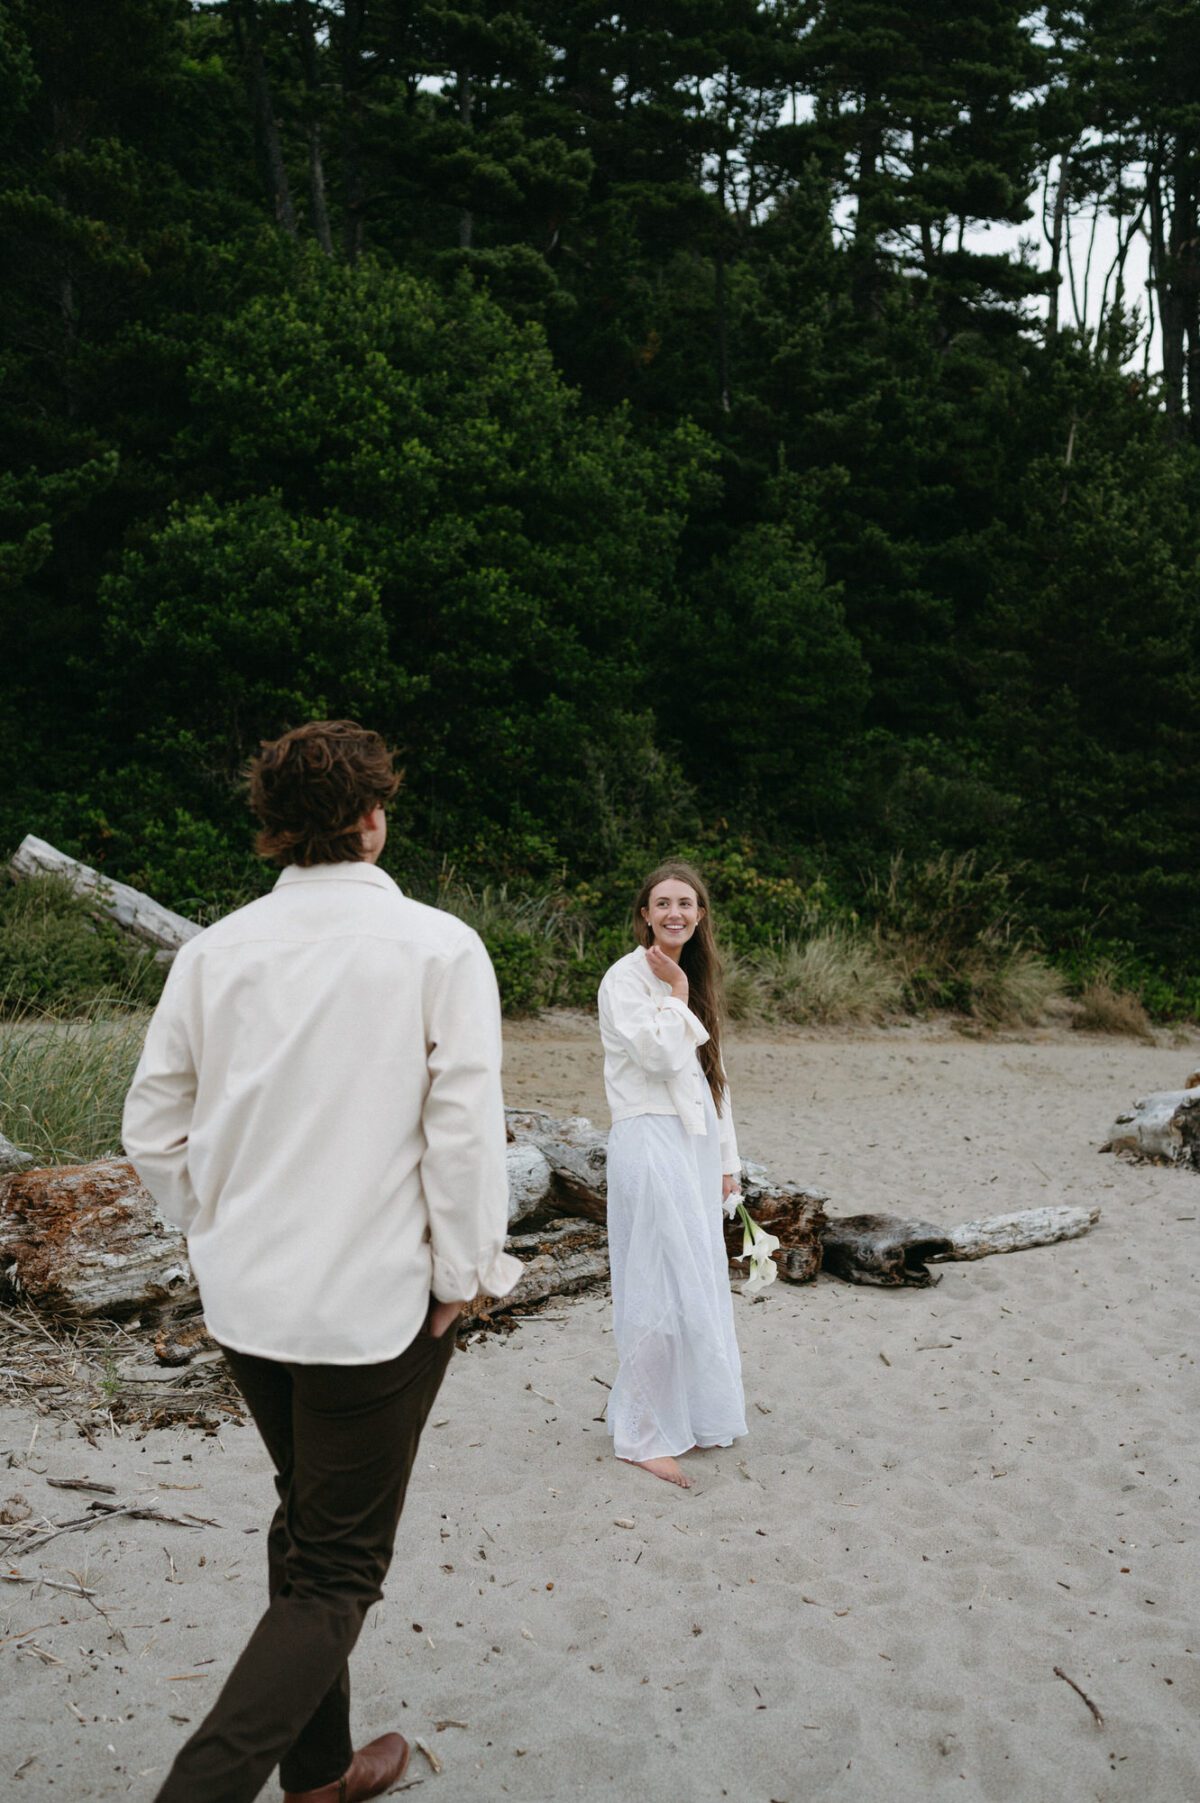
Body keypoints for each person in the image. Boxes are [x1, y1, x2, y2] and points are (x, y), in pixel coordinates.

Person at [123, 720, 521, 1803]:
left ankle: (321, 1773)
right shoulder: (440, 947)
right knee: (337, 1570)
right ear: (375, 819)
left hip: (249, 1299)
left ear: (272, 827)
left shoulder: (214, 953)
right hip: (376, 1308)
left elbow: (152, 1130)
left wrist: (217, 1223)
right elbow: (462, 1134)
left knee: (307, 1521)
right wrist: (465, 1275)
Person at [597, 860, 747, 1489]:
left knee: (694, 1283)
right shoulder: (626, 978)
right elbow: (659, 1057)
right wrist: (678, 994)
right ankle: (641, 1434)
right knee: (656, 1282)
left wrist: (727, 1163)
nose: (674, 913)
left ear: (700, 914)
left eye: (685, 903)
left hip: (692, 1142)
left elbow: (713, 1080)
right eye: (663, 903)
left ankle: (686, 1414)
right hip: (649, 1138)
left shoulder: (696, 978)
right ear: (645, 914)